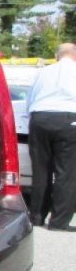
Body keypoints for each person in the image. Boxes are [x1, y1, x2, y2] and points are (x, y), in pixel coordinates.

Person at [25, 42, 76, 231]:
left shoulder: (43, 72)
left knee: (40, 170)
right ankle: (59, 221)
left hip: (40, 117)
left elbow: (30, 99)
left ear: (57, 56)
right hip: (70, 118)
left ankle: (36, 216)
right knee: (67, 172)